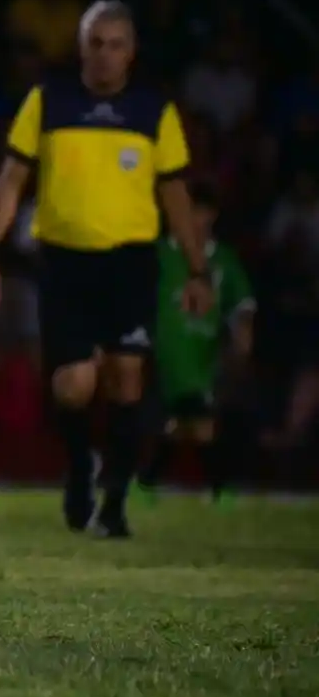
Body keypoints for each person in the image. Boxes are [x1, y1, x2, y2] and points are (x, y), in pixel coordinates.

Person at [0, 0, 212, 538]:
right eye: (96, 43)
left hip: (129, 263)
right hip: (65, 263)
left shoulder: (154, 112)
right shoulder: (48, 101)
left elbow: (176, 196)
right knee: (74, 387)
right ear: (81, 48)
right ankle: (81, 468)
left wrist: (198, 271)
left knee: (127, 377)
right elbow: (11, 181)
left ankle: (115, 504)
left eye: (116, 44)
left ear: (133, 52)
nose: (105, 55)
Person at [136, 187, 254, 502]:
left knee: (185, 425)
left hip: (206, 355)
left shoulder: (224, 260)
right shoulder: (161, 254)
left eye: (198, 211)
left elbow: (241, 305)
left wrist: (243, 337)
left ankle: (147, 483)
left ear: (212, 215)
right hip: (168, 354)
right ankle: (219, 490)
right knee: (198, 422)